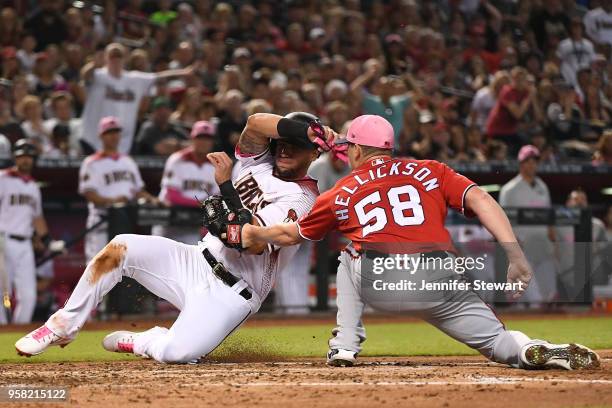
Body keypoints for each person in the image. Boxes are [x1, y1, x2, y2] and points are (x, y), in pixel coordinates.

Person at [237, 115, 600, 371]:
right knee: (496, 341)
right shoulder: (432, 169)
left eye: (349, 149)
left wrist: (257, 233)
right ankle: (528, 349)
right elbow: (483, 200)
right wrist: (515, 255)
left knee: (348, 254)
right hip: (442, 277)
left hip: (383, 279)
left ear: (358, 152)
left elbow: (291, 233)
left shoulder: (343, 189)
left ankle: (345, 345)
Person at [14, 112, 327, 364]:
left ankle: (145, 339)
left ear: (314, 153)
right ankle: (61, 326)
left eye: (297, 145)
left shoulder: (302, 199)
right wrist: (307, 129)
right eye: (283, 141)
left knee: (177, 354)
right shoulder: (258, 160)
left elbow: (249, 241)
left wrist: (226, 189)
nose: (285, 149)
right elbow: (256, 122)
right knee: (120, 247)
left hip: (232, 293)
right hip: (195, 259)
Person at [79, 43, 194, 154]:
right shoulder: (98, 76)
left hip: (122, 142)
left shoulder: (134, 79)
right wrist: (94, 63)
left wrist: (183, 72)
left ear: (124, 59)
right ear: (106, 58)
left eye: (119, 56)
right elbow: (84, 75)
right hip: (93, 139)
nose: (116, 59)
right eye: (112, 56)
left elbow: (159, 76)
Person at [78, 116, 159, 262]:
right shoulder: (91, 163)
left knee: (120, 271)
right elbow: (90, 194)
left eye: (116, 132)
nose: (114, 136)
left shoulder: (127, 161)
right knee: (97, 269)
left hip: (124, 222)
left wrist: (152, 199)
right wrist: (114, 201)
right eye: (109, 132)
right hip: (102, 222)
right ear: (101, 136)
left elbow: (137, 191)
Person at [0, 140, 53, 324]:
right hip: (3, 240)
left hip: (25, 244)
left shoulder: (33, 186)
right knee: (1, 292)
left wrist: (48, 240)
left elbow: (37, 218)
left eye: (29, 156)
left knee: (29, 295)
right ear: (15, 157)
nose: (25, 160)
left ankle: (18, 334)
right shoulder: (3, 178)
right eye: (22, 156)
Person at [499, 145, 558, 304]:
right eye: (528, 161)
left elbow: (548, 215)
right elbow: (503, 220)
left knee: (549, 292)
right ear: (520, 163)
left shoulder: (542, 186)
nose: (531, 165)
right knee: (532, 295)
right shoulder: (509, 189)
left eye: (534, 161)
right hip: (522, 245)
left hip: (542, 243)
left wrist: (553, 240)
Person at [152, 120, 219, 244]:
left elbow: (215, 198)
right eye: (200, 137)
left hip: (193, 227)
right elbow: (172, 196)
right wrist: (200, 204)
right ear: (192, 138)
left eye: (207, 138)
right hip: (169, 223)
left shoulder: (214, 166)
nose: (204, 142)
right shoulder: (177, 160)